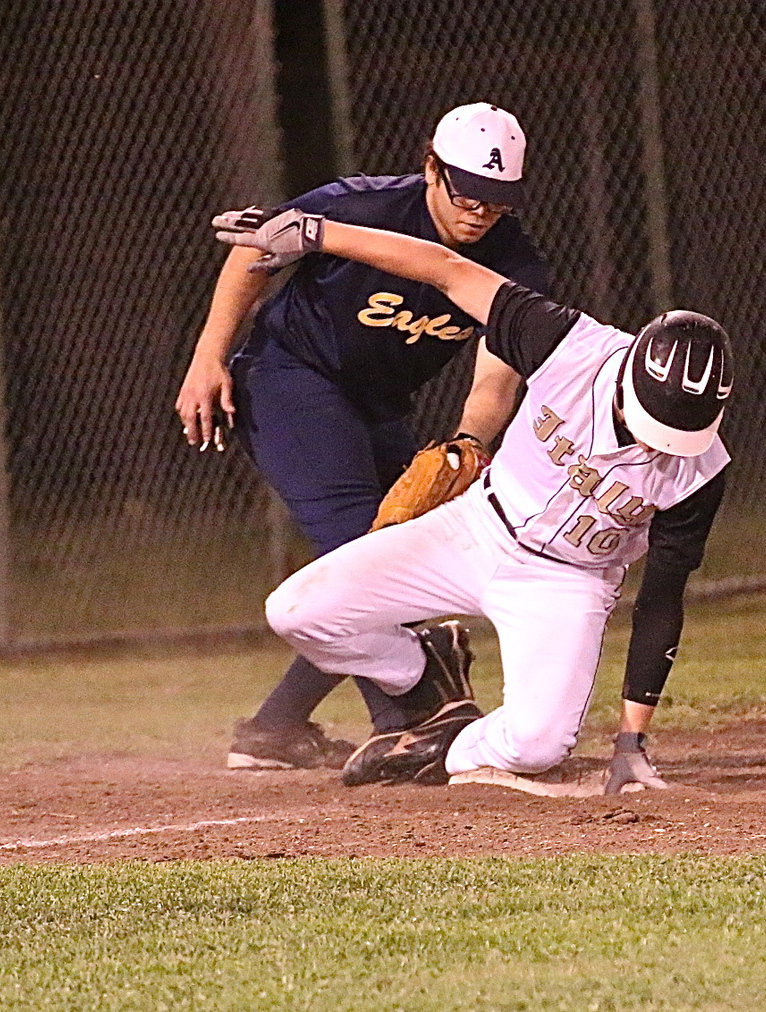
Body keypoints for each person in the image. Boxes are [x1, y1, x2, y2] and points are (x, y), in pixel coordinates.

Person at [209, 201, 734, 794]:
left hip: (566, 583)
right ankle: (418, 672)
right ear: (632, 368)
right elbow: (442, 269)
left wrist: (631, 740)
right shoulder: (569, 344)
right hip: (475, 527)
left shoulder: (701, 470)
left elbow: (661, 602)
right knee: (298, 612)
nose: (655, 438)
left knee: (537, 745)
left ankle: (448, 747)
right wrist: (319, 233)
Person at [175, 104, 550, 774]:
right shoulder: (363, 207)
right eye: (466, 190)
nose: (479, 210)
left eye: (497, 199)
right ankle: (402, 725)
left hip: (380, 409)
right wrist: (208, 356)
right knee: (367, 555)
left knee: (398, 563)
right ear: (431, 167)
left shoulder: (512, 261)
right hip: (291, 379)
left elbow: (497, 377)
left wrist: (467, 443)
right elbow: (254, 251)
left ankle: (273, 730)